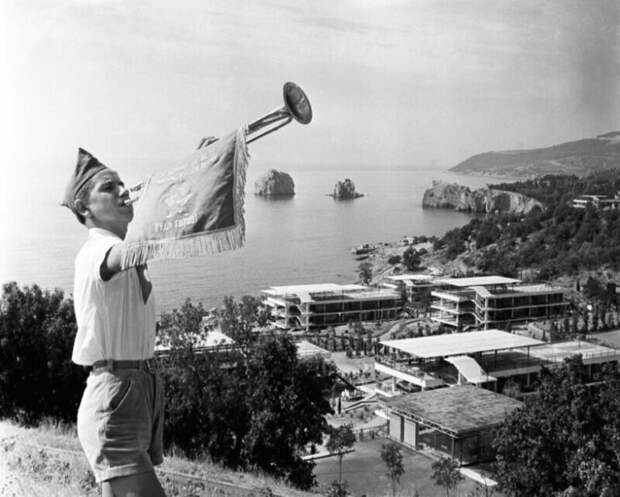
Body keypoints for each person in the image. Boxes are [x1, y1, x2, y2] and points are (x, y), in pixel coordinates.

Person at [62, 148, 166, 497]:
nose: (123, 191)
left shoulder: (119, 248)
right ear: (84, 208)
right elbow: (131, 251)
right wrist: (176, 191)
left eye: (123, 184)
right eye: (109, 187)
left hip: (136, 392)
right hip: (116, 398)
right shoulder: (96, 251)